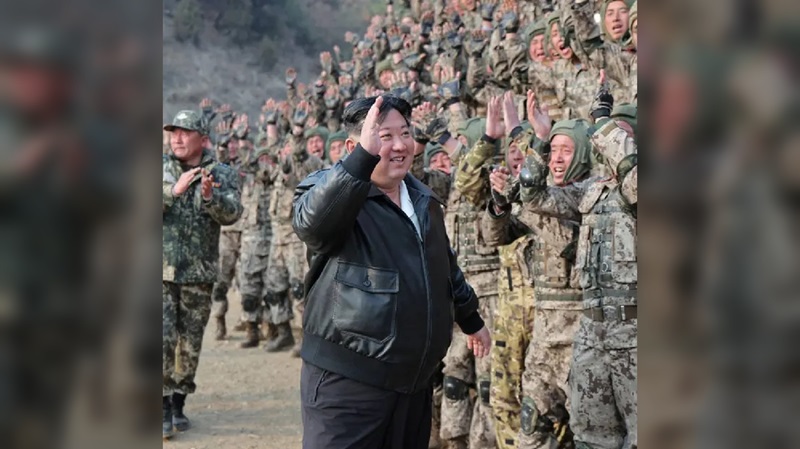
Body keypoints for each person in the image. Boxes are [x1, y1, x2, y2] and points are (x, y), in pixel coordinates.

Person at [292, 95, 491, 449]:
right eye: (384, 137)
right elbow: (312, 225)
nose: (399, 146)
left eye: (405, 134)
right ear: (355, 147)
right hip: (349, 382)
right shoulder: (329, 188)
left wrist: (470, 318)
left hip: (413, 382)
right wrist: (360, 162)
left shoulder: (422, 198)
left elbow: (443, 264)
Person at [162, 110, 243, 439]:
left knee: (190, 343)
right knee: (161, 338)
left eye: (185, 132)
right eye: (174, 132)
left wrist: (210, 197)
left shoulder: (222, 173)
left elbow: (233, 214)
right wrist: (173, 191)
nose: (177, 138)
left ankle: (178, 401)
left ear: (203, 139)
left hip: (199, 273)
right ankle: (161, 404)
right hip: (160, 271)